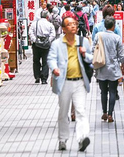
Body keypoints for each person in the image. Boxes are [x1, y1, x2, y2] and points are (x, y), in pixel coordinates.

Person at [47, 16, 93, 152]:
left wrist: (85, 55)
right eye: (69, 24)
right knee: (63, 112)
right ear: (63, 28)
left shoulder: (83, 41)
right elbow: (51, 58)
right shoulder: (57, 43)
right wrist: (54, 68)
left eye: (75, 24)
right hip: (64, 82)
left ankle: (82, 138)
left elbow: (92, 58)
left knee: (81, 110)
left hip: (79, 82)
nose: (73, 26)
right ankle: (62, 139)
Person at [93, 16, 124, 123]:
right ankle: (111, 114)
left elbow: (93, 49)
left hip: (101, 67)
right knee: (112, 91)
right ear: (113, 26)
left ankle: (104, 112)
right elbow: (121, 55)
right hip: (113, 68)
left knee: (103, 92)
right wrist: (123, 65)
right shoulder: (117, 38)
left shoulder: (98, 35)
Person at [30, 9, 57, 84]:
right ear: (47, 17)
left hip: (36, 45)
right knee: (45, 61)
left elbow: (30, 32)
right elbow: (53, 34)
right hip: (46, 45)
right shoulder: (49, 24)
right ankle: (44, 79)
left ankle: (37, 76)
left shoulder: (34, 24)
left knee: (36, 61)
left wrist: (34, 40)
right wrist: (49, 40)